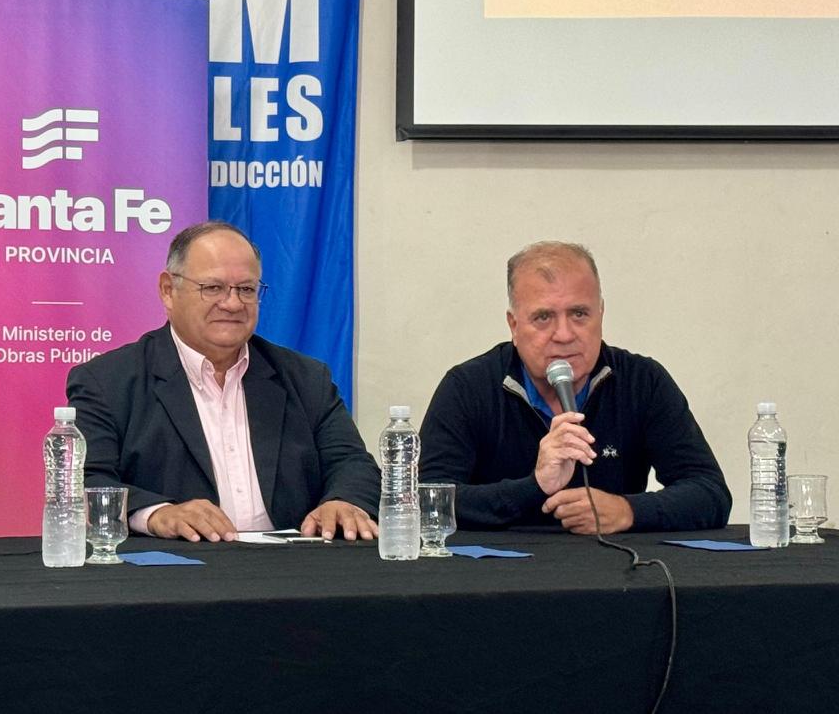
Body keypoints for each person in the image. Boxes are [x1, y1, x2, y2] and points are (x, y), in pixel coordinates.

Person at [66, 221, 380, 542]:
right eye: (213, 288)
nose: (232, 304)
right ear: (168, 290)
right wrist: (157, 514)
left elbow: (353, 464)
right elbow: (85, 482)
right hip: (176, 563)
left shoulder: (306, 379)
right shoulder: (107, 381)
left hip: (292, 562)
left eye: (246, 289)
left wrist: (343, 502)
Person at [419, 241, 731, 534]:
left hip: (614, 567)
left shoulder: (643, 382)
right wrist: (534, 486)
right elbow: (425, 500)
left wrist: (628, 510)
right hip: (497, 569)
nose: (564, 335)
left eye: (579, 314)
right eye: (543, 317)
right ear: (514, 325)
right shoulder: (468, 387)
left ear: (601, 314)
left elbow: (710, 493)